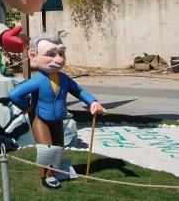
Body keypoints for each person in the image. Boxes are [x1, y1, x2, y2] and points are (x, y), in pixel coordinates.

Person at [9, 32, 107, 189]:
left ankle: (54, 172)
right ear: (33, 56)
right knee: (47, 148)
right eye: (51, 54)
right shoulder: (38, 80)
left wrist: (92, 102)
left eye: (61, 53)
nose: (59, 59)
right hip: (40, 118)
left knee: (58, 146)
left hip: (58, 118)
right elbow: (14, 94)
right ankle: (46, 176)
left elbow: (79, 91)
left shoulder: (64, 79)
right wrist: (28, 107)